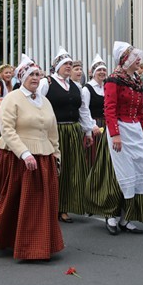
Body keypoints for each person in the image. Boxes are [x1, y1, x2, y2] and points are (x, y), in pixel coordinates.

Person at [0, 54, 64, 260]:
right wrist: (24, 153)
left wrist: (56, 154)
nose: (36, 78)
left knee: (40, 205)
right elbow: (7, 129)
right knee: (16, 202)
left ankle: (39, 244)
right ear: (22, 77)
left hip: (43, 156)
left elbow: (52, 131)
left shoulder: (44, 101)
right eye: (31, 75)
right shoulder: (13, 98)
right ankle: (18, 242)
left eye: (38, 74)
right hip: (17, 157)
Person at [103, 41, 143, 234]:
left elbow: (139, 111)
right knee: (121, 173)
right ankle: (111, 215)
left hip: (135, 130)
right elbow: (109, 109)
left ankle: (126, 217)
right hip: (120, 128)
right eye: (134, 57)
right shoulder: (114, 79)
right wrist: (115, 135)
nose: (139, 60)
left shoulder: (136, 80)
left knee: (138, 172)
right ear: (125, 59)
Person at [37, 46, 94, 223]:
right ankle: (57, 206)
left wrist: (88, 131)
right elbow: (37, 105)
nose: (69, 66)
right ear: (57, 66)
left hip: (73, 131)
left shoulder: (76, 86)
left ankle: (71, 203)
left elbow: (83, 110)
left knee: (74, 170)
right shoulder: (47, 83)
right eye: (65, 64)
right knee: (57, 169)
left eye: (70, 63)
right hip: (56, 132)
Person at [83, 53, 124, 224]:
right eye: (99, 70)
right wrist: (91, 127)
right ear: (92, 72)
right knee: (93, 163)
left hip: (107, 126)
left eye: (104, 70)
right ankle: (92, 199)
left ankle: (105, 198)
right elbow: (83, 109)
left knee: (107, 166)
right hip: (95, 126)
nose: (102, 72)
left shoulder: (107, 85)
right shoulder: (87, 88)